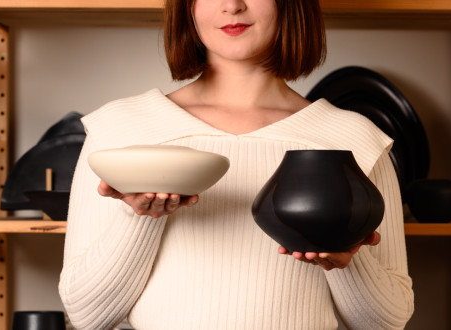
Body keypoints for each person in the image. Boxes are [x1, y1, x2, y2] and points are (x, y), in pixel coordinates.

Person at [59, 0, 414, 329]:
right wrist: (139, 217)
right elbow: (87, 315)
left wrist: (347, 259)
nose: (232, 5)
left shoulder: (353, 139)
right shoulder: (121, 128)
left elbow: (387, 322)